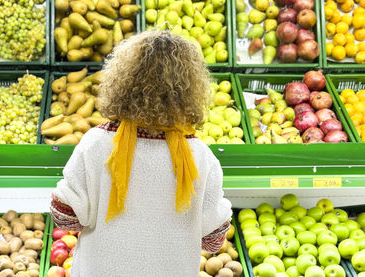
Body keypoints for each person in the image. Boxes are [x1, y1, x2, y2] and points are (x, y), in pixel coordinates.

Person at [50, 30, 232, 276]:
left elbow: (65, 217)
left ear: (122, 82)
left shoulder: (96, 143)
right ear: (190, 90)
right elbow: (213, 240)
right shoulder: (200, 156)